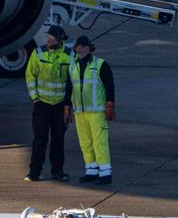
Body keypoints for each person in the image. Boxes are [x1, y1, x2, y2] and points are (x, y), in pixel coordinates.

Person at [65, 35, 116, 186]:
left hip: (97, 112)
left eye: (81, 45)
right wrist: (67, 107)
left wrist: (110, 105)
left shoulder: (101, 64)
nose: (78, 48)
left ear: (89, 48)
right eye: (77, 46)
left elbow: (109, 86)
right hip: (80, 112)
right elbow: (69, 87)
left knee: (100, 143)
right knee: (85, 143)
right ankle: (91, 171)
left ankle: (105, 174)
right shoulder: (72, 65)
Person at [25, 24, 71, 182]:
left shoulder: (69, 56)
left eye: (51, 38)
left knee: (58, 140)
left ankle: (57, 171)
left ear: (59, 40)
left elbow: (73, 81)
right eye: (48, 38)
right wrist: (35, 98)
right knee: (39, 139)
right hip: (42, 105)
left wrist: (68, 106)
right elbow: (30, 75)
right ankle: (34, 172)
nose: (48, 40)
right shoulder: (38, 53)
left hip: (60, 106)